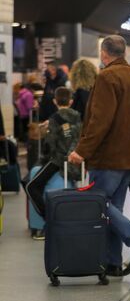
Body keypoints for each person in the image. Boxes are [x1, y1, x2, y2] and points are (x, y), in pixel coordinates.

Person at [68, 35, 130, 277]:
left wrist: (81, 151)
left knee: (99, 203)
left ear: (104, 54)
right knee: (112, 207)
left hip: (110, 156)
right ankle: (112, 263)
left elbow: (99, 121)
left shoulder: (108, 76)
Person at [26, 87, 82, 239]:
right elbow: (72, 136)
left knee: (31, 186)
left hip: (58, 161)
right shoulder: (78, 117)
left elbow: (50, 146)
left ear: (54, 101)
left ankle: (47, 220)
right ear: (71, 101)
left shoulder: (54, 118)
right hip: (75, 164)